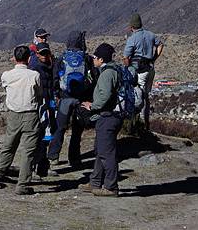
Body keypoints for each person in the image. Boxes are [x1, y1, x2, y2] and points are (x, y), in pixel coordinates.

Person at [0, 45, 42, 195]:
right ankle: (22, 184)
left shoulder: (6, 75)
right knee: (28, 151)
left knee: (9, 145)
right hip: (31, 115)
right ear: (29, 58)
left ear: (14, 58)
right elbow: (39, 93)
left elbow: (5, 88)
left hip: (14, 114)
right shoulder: (35, 75)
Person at [47, 30, 96, 168]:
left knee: (60, 128)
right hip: (81, 99)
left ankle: (53, 157)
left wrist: (57, 94)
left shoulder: (62, 58)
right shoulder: (86, 58)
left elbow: (55, 78)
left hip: (65, 98)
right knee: (77, 130)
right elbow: (93, 78)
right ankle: (74, 158)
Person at [80, 43, 122, 197]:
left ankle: (111, 187)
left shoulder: (106, 74)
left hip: (108, 116)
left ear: (101, 59)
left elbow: (104, 95)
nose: (94, 60)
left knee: (107, 153)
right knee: (100, 150)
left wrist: (93, 106)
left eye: (95, 57)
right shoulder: (114, 70)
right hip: (112, 116)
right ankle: (95, 182)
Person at [123, 13, 163, 131]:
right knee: (146, 96)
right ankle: (145, 123)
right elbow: (160, 44)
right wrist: (154, 58)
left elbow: (126, 57)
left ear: (131, 27)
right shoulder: (150, 35)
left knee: (138, 96)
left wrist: (127, 67)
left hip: (139, 71)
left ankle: (138, 125)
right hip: (150, 69)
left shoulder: (132, 39)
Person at [28, 42, 56, 178]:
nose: (45, 56)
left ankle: (42, 166)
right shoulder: (35, 68)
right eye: (42, 53)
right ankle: (33, 167)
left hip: (49, 104)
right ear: (37, 54)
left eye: (46, 53)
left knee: (46, 136)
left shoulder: (50, 66)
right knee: (38, 136)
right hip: (40, 105)